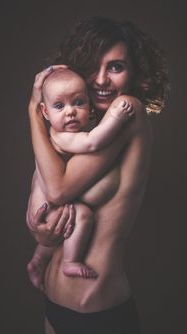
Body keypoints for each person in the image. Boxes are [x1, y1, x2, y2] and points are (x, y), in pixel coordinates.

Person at [26, 16, 169, 334]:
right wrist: (40, 234)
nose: (102, 79)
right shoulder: (79, 126)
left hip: (99, 313)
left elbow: (59, 189)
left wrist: (33, 111)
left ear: (135, 73)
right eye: (93, 66)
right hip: (55, 306)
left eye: (116, 67)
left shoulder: (126, 113)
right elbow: (48, 191)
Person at [27, 67, 134, 289]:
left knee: (63, 218)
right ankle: (70, 261)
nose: (70, 112)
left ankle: (38, 261)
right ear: (45, 113)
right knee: (81, 214)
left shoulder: (56, 134)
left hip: (42, 204)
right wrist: (116, 118)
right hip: (45, 204)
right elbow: (92, 142)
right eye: (59, 106)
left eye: (78, 103)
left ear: (89, 104)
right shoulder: (61, 136)